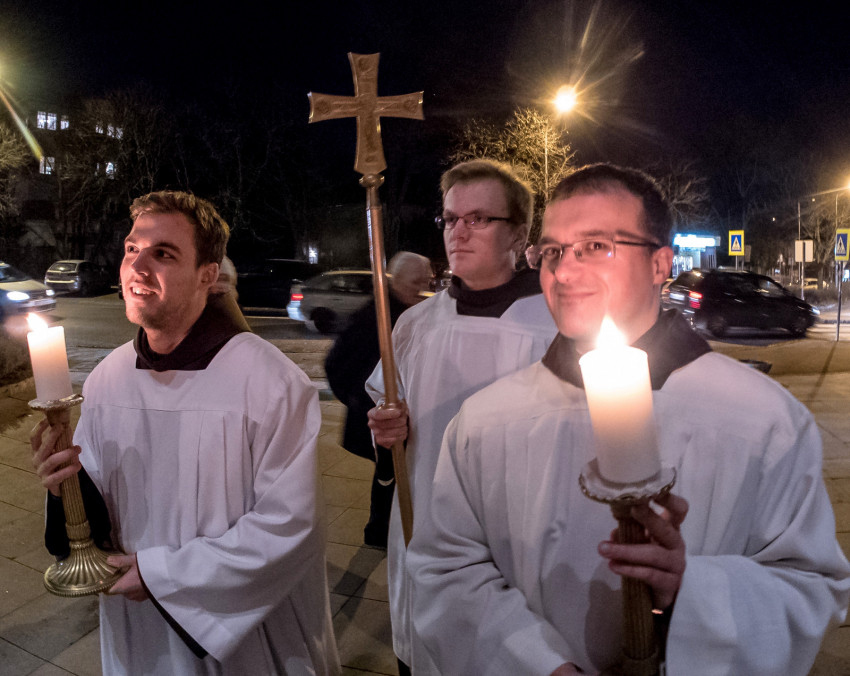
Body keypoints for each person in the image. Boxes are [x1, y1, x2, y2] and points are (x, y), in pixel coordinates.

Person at [407, 164, 850, 675]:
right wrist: (536, 664)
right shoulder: (485, 420)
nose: (563, 273)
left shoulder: (764, 420)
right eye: (552, 252)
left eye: (596, 246)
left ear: (661, 263)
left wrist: (691, 590)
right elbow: (446, 569)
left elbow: (810, 587)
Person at [31, 191, 340, 675]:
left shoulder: (270, 383)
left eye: (164, 253)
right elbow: (95, 512)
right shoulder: (108, 379)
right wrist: (63, 484)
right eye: (132, 249)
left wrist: (162, 577)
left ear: (207, 275)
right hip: (137, 633)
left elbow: (288, 527)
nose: (137, 267)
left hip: (241, 643)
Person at [366, 159, 557, 675]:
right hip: (427, 523)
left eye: (478, 219)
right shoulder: (415, 324)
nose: (459, 231)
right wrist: (387, 428)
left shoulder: (554, 325)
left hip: (518, 535)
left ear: (518, 233)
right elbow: (388, 410)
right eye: (451, 219)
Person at [325, 251, 432, 548]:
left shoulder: (411, 314)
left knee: (391, 475)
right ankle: (380, 532)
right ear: (396, 281)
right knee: (389, 475)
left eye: (426, 282)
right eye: (415, 282)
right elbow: (335, 364)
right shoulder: (376, 317)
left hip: (398, 418)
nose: (422, 289)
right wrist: (361, 401)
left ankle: (382, 530)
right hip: (379, 415)